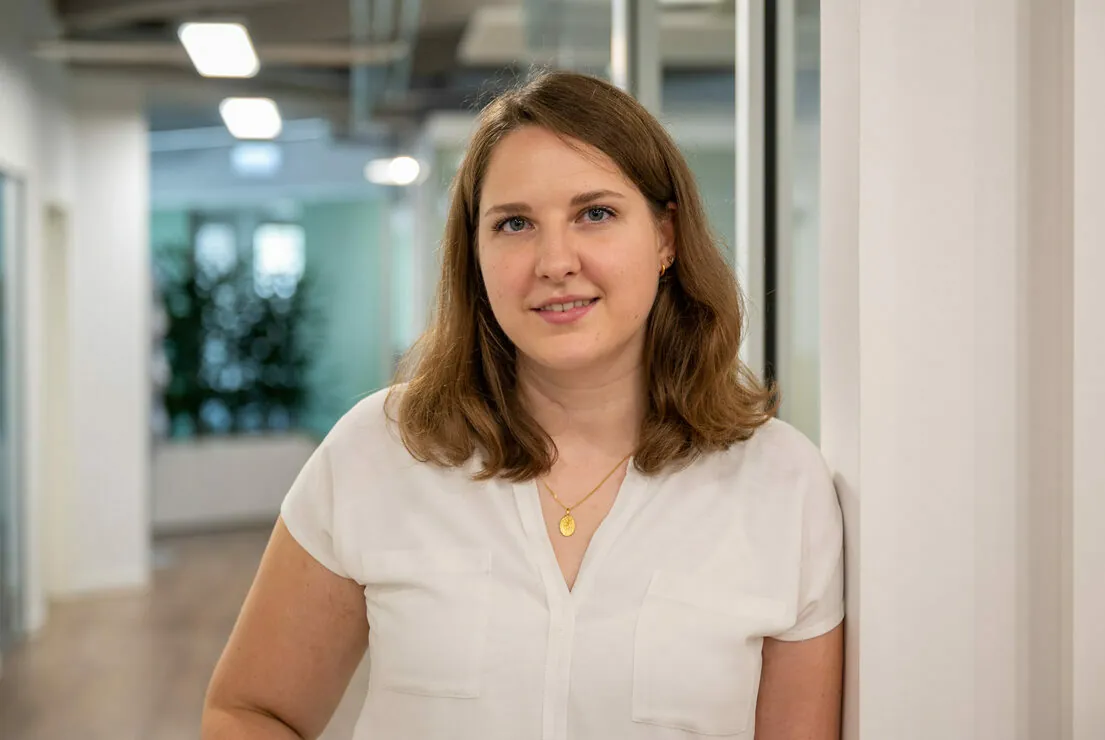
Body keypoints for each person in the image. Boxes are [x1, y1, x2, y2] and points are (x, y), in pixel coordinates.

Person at [201, 70, 844, 740]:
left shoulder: (780, 484)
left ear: (664, 238)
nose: (554, 261)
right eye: (513, 224)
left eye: (594, 214)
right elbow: (251, 711)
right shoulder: (376, 451)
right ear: (473, 256)